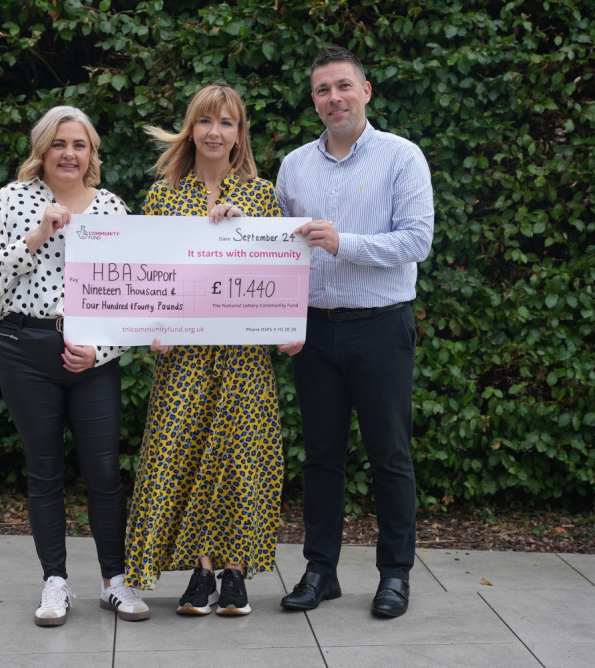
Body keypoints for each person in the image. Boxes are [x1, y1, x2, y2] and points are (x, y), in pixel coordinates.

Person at [0, 106, 149, 627]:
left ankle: (114, 581)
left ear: (92, 154)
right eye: (58, 144)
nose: (69, 154)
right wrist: (35, 237)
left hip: (92, 356)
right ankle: (55, 583)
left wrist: (103, 349)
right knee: (43, 470)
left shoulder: (113, 209)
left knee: (104, 473)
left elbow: (133, 297)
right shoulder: (12, 200)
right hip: (24, 346)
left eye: (79, 145)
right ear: (42, 151)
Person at [275, 46, 435, 618]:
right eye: (322, 90)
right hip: (315, 332)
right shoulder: (294, 166)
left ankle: (395, 574)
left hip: (381, 327)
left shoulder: (401, 157)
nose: (333, 98)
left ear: (366, 91)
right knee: (321, 458)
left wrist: (347, 243)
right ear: (313, 100)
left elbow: (417, 240)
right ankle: (321, 571)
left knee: (389, 455)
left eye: (343, 86)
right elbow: (274, 250)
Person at [124, 83, 284, 617]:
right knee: (184, 452)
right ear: (191, 129)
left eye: (228, 123)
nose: (216, 132)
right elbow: (150, 278)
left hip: (242, 355)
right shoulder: (163, 198)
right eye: (206, 121)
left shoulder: (262, 198)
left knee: (243, 458)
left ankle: (235, 573)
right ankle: (202, 568)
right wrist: (151, 325)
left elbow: (278, 276)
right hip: (184, 354)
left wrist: (245, 234)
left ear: (240, 135)